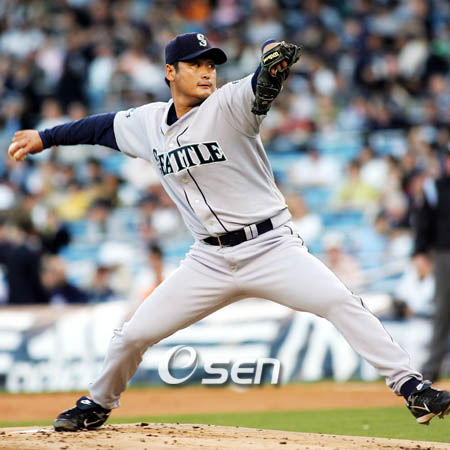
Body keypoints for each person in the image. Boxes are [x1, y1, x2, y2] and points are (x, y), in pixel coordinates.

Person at [8, 33, 450, 431]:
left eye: (212, 64)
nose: (207, 72)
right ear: (170, 72)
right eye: (196, 64)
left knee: (340, 301)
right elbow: (99, 127)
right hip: (208, 260)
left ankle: (412, 388)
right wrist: (46, 138)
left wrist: (273, 65)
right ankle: (98, 403)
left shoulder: (229, 104)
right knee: (133, 334)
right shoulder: (147, 123)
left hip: (271, 247)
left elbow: (261, 86)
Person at [413, 148, 450, 382]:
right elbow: (423, 220)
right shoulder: (434, 188)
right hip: (445, 253)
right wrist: (419, 250)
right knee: (442, 311)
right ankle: (432, 368)